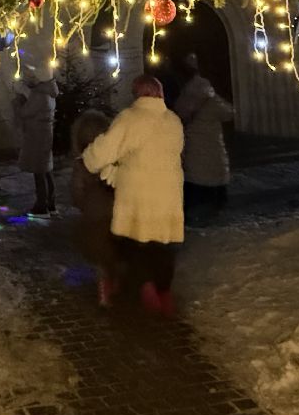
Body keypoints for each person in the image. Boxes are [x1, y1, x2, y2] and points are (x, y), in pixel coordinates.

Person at [80, 75, 185, 316]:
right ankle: (164, 292)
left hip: (139, 194)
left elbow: (105, 150)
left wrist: (89, 158)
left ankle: (146, 287)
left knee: (135, 243)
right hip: (168, 193)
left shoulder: (130, 118)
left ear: (137, 93)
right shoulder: (173, 120)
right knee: (163, 245)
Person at [173, 55, 234, 220]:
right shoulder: (211, 100)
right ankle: (215, 209)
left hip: (193, 148)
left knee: (195, 178)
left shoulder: (184, 99)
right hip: (213, 147)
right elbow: (229, 112)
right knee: (213, 177)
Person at [69, 109, 119, 305]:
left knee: (101, 258)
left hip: (94, 219)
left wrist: (83, 205)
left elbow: (77, 191)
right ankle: (116, 281)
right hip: (115, 215)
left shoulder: (82, 165)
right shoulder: (114, 161)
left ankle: (105, 289)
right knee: (114, 252)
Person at [16, 71, 60, 215]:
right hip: (45, 133)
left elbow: (25, 112)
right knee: (46, 169)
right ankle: (51, 203)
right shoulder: (50, 93)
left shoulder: (39, 94)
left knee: (39, 171)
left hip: (37, 135)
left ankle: (41, 206)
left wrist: (20, 101)